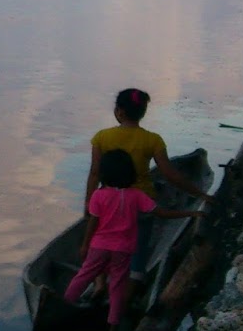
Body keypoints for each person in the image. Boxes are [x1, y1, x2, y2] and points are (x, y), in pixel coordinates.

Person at [84, 88, 209, 282]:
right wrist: (201, 194)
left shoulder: (101, 137)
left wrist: (89, 205)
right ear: (143, 113)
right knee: (138, 250)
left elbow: (94, 174)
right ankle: (132, 282)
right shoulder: (152, 140)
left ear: (119, 111)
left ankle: (100, 284)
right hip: (141, 204)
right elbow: (170, 175)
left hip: (109, 204)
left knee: (102, 242)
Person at [64, 150, 197, 328]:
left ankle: (65, 305)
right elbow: (161, 213)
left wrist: (85, 245)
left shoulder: (98, 195)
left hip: (99, 246)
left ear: (104, 174)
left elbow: (92, 223)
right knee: (118, 285)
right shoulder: (137, 195)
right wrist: (192, 212)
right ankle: (112, 326)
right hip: (123, 249)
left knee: (83, 276)